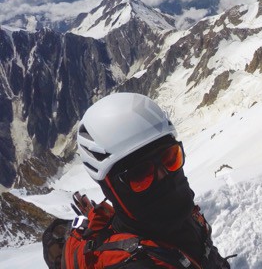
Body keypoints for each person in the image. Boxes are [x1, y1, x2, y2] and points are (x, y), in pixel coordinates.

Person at [43, 92, 232, 268]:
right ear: (110, 187)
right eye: (140, 174)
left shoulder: (183, 220)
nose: (164, 176)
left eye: (170, 158)